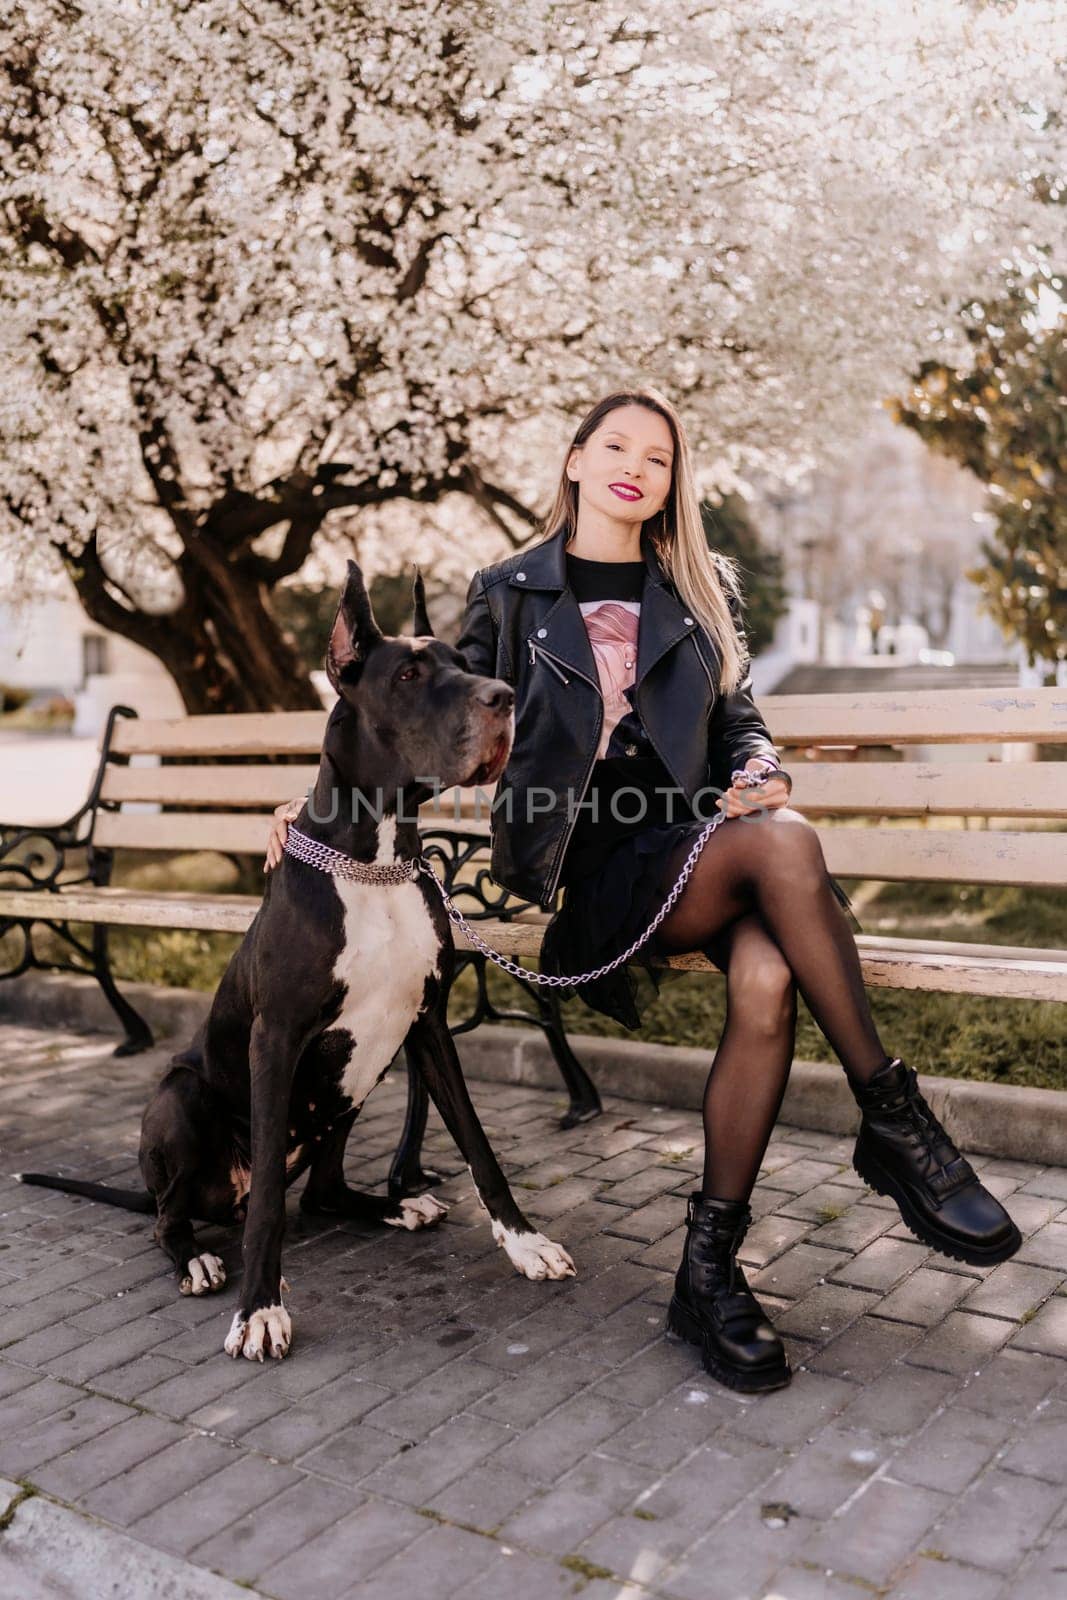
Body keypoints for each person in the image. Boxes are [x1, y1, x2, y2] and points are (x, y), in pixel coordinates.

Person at [265, 385, 1021, 1395]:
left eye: (657, 456)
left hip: (704, 843)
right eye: (614, 444)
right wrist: (303, 803)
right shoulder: (509, 589)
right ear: (574, 460)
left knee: (762, 975)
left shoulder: (698, 584)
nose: (634, 464)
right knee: (785, 848)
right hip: (597, 863)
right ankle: (892, 1121)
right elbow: (424, 701)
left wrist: (757, 765)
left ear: (672, 483)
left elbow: (736, 712)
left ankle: (706, 1274)